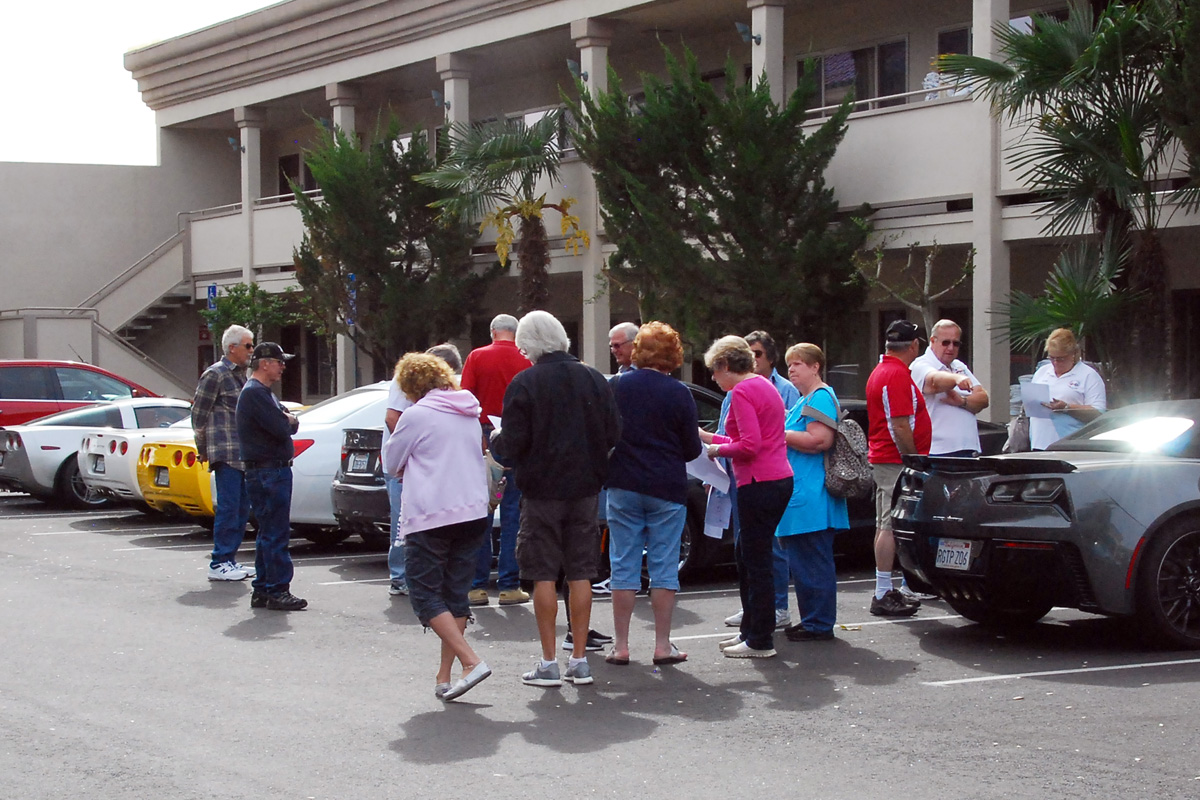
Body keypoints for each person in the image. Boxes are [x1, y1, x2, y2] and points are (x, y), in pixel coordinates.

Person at [491, 311, 621, 688]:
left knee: (542, 572)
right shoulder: (595, 378)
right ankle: (579, 659)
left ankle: (548, 661)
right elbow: (614, 432)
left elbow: (511, 444)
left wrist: (498, 442)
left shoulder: (525, 382)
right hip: (585, 488)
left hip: (541, 490)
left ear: (529, 344)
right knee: (581, 570)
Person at [381, 352, 492, 702]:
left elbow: (391, 461)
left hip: (433, 514)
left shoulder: (416, 415)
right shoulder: (468, 411)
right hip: (473, 511)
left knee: (425, 594)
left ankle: (470, 660)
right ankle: (447, 674)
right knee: (454, 595)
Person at [604, 322, 702, 666]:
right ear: (673, 355)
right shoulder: (679, 393)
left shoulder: (616, 386)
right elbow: (691, 450)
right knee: (663, 567)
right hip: (666, 486)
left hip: (623, 483)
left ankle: (621, 645)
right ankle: (662, 645)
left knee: (623, 564)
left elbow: (605, 435)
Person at [704, 335, 793, 658]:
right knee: (749, 556)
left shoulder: (741, 391)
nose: (713, 378)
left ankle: (760, 638)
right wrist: (709, 438)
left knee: (755, 562)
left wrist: (715, 449)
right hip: (776, 477)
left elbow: (749, 445)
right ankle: (751, 631)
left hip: (759, 480)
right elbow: (750, 436)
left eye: (714, 371)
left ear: (726, 365)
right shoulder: (762, 384)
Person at [777, 343, 849, 642]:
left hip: (813, 492)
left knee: (813, 559)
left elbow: (819, 440)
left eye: (798, 364)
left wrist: (778, 434)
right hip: (803, 491)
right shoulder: (805, 399)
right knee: (803, 559)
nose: (792, 369)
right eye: (790, 364)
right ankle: (811, 618)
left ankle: (819, 622)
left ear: (815, 366)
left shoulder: (820, 396)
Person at [460, 314, 531, 607]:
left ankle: (476, 586)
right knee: (513, 511)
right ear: (516, 334)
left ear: (492, 333)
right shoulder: (526, 359)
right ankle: (509, 585)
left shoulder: (477, 357)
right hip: (517, 436)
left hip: (484, 436)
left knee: (482, 511)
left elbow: (465, 399)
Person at [385, 343, 464, 598]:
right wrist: (409, 452)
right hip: (406, 461)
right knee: (404, 522)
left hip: (424, 463)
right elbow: (393, 418)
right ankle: (401, 576)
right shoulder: (405, 384)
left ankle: (423, 576)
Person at [865, 320, 931, 617]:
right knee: (889, 524)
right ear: (914, 345)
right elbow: (900, 424)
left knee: (888, 523)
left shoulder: (886, 371)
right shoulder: (894, 374)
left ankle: (888, 588)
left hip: (889, 458)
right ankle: (882, 591)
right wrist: (914, 458)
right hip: (894, 460)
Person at [237, 342, 305, 611]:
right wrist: (286, 420)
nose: (283, 367)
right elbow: (281, 426)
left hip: (267, 470)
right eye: (279, 362)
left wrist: (289, 420)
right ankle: (277, 589)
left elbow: (291, 423)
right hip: (268, 471)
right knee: (276, 531)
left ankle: (264, 588)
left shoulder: (262, 393)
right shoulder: (255, 393)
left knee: (269, 531)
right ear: (264, 363)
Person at [193, 324, 256, 582]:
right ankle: (219, 561)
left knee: (242, 509)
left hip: (244, 453)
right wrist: (203, 449)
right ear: (232, 348)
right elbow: (199, 414)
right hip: (226, 452)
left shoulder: (244, 375)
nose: (251, 351)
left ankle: (230, 559)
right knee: (229, 508)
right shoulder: (215, 375)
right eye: (248, 346)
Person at [909, 319, 989, 456]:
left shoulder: (959, 366)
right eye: (946, 342)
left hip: (968, 448)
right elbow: (934, 382)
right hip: (937, 450)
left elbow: (983, 398)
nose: (951, 348)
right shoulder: (920, 365)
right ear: (933, 341)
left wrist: (963, 402)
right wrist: (957, 379)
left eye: (956, 343)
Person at [1029, 327, 1106, 450]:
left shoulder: (1088, 375)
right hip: (1039, 442)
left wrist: (1067, 407)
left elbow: (1099, 414)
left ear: (1073, 354)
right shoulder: (1042, 372)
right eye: (1052, 358)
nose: (1055, 363)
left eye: (1060, 359)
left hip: (1069, 443)